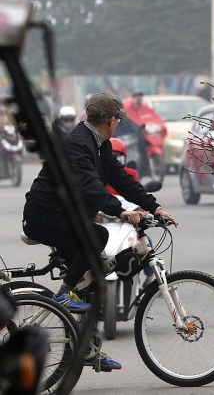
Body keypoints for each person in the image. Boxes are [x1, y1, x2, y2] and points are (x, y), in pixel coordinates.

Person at [22, 93, 178, 371]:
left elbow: (119, 178)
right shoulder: (78, 143)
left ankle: (87, 348)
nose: (118, 123)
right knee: (98, 237)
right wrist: (120, 212)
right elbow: (89, 186)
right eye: (118, 119)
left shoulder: (99, 144)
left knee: (92, 281)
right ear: (111, 120)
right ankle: (64, 294)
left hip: (63, 216)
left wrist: (154, 207)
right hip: (43, 217)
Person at [106, 137, 156, 286]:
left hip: (127, 219)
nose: (114, 159)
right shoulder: (98, 175)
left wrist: (146, 209)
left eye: (118, 156)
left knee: (146, 242)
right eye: (111, 155)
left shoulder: (129, 174)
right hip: (104, 218)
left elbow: (135, 192)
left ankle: (150, 276)